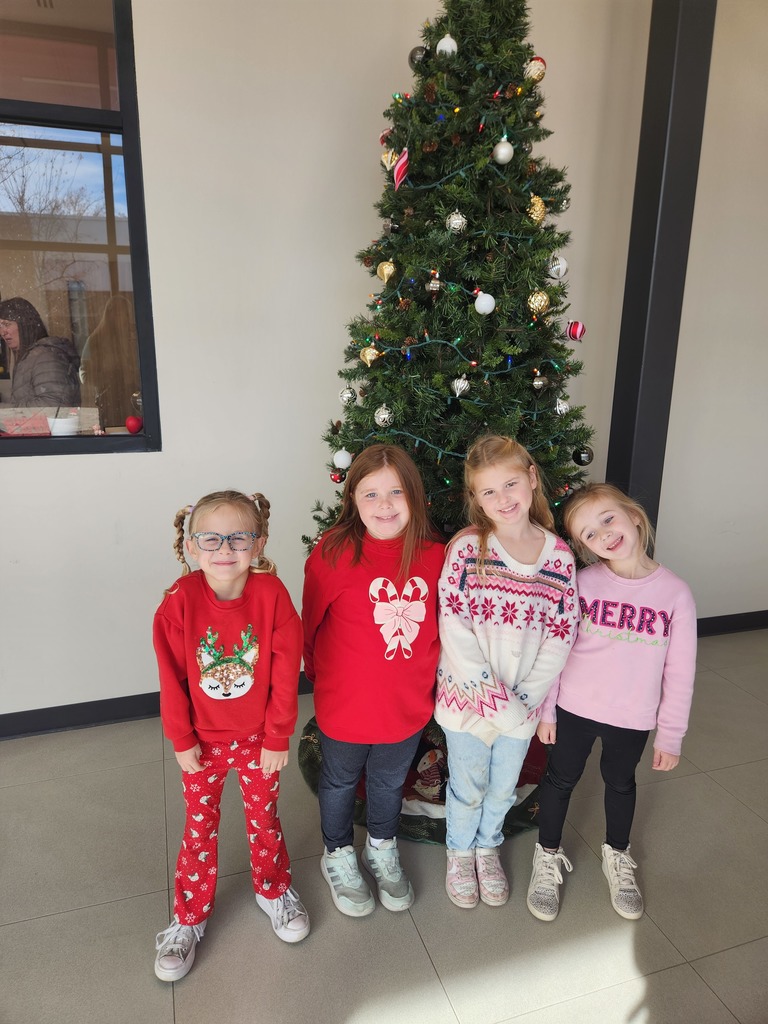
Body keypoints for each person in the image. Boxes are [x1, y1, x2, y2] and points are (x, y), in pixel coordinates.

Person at [153, 489, 309, 983]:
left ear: (258, 542)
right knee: (199, 829)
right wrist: (181, 740)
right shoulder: (177, 604)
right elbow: (171, 679)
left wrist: (278, 736)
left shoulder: (273, 596)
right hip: (202, 744)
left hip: (260, 739)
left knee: (264, 818)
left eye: (239, 537)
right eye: (212, 538)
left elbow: (286, 674)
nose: (226, 549)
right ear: (193, 547)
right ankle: (189, 917)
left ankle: (273, 890)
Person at [526, 482, 696, 923]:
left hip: (632, 717)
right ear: (583, 547)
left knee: (620, 783)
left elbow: (680, 672)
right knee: (560, 780)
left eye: (607, 519)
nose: (603, 535)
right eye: (588, 534)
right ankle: (546, 856)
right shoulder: (582, 584)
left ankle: (616, 856)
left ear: (633, 515)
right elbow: (556, 650)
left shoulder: (675, 594)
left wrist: (671, 735)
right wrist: (547, 711)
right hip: (574, 710)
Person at [435, 435, 578, 909]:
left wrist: (524, 702)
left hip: (521, 707)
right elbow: (453, 624)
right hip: (467, 702)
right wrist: (494, 702)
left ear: (532, 479)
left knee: (502, 787)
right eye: (488, 492)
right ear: (474, 499)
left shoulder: (557, 556)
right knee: (468, 785)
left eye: (511, 484)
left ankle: (487, 846)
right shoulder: (468, 549)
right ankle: (459, 852)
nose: (503, 499)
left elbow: (562, 632)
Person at [302, 444, 445, 917]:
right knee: (340, 780)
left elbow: (449, 629)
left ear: (415, 496)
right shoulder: (333, 554)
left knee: (388, 782)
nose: (384, 506)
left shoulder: (437, 556)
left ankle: (381, 847)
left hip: (405, 705)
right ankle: (338, 852)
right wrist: (319, 680)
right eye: (371, 494)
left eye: (396, 492)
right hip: (345, 704)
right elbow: (310, 626)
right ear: (353, 500)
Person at [0, 297, 80, 407]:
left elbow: (53, 405)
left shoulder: (46, 357)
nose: (3, 332)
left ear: (25, 324)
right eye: (0, 326)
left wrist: (6, 410)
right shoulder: (30, 357)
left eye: (7, 324)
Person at [79, 294, 141, 428]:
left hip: (134, 401)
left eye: (126, 315)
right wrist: (108, 378)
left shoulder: (134, 338)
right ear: (110, 315)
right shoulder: (95, 341)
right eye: (119, 314)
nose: (123, 319)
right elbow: (84, 374)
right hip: (108, 402)